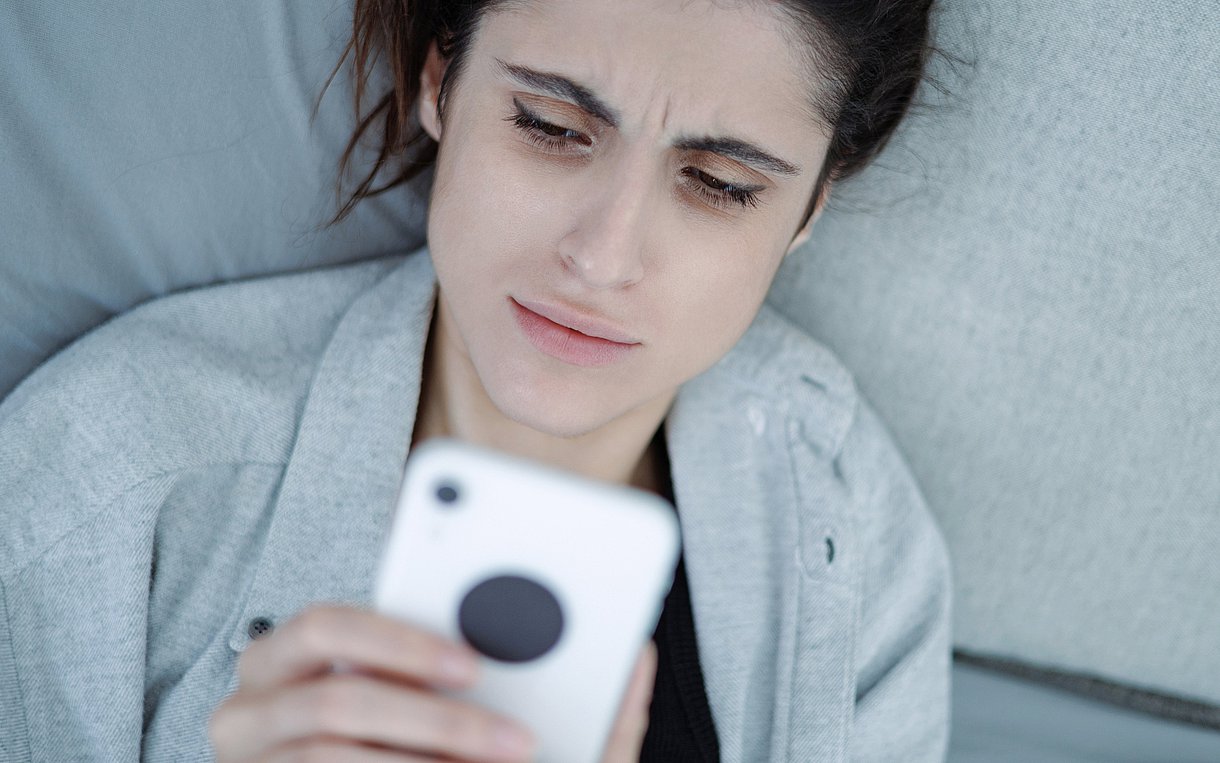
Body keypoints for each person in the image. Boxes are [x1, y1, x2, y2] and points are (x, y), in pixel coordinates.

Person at [0, 0, 953, 760]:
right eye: (551, 126)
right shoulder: (116, 478)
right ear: (438, 84)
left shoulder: (846, 528)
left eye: (719, 186)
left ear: (809, 208)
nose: (603, 256)